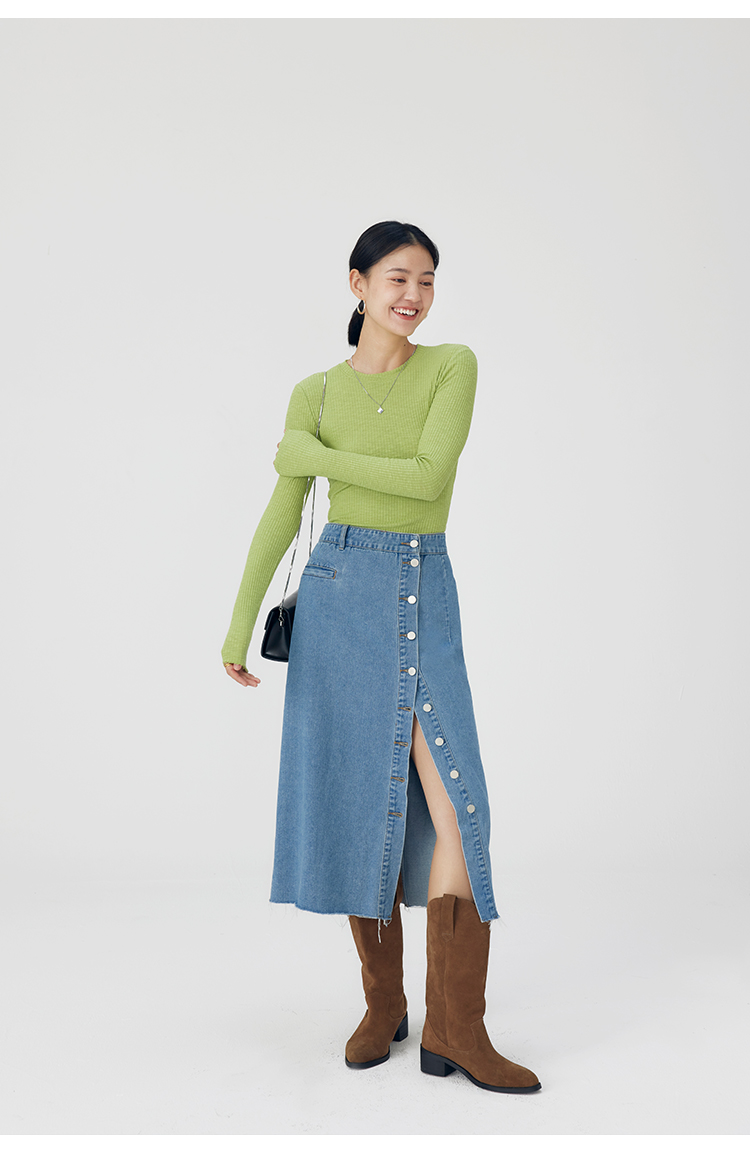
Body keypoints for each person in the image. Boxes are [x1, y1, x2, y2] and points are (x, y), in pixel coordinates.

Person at [221, 221, 541, 1094]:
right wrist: (239, 622)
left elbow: (428, 478)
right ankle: (384, 1003)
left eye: (427, 280)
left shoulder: (452, 366)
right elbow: (283, 510)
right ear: (357, 283)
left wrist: (316, 456)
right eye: (398, 277)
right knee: (362, 799)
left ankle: (458, 1028)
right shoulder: (315, 390)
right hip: (336, 596)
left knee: (458, 802)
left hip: (419, 587)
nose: (415, 294)